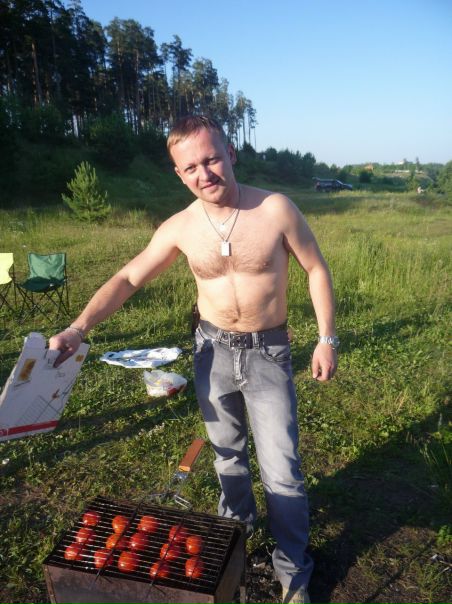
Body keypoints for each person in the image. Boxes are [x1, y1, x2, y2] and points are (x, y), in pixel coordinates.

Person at [49, 116, 338, 604]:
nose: (205, 173)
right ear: (179, 174)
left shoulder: (274, 209)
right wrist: (79, 328)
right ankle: (233, 544)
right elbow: (128, 278)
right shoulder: (180, 226)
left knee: (282, 468)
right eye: (191, 167)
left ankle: (293, 572)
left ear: (230, 154)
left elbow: (315, 268)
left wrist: (326, 338)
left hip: (267, 352)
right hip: (212, 351)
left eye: (212, 159)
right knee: (227, 455)